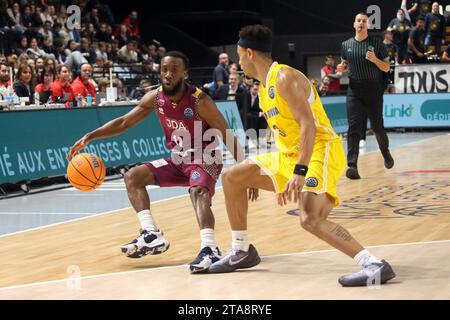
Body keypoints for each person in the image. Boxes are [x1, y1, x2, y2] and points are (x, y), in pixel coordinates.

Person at [208, 24, 396, 287]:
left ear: (249, 53)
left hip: (320, 149)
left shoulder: (284, 77)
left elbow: (308, 124)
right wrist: (255, 174)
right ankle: (241, 251)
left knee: (309, 217)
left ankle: (372, 263)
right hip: (290, 156)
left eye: (239, 56)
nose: (239, 62)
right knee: (232, 177)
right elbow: (286, 133)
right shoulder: (263, 88)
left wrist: (299, 171)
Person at [66, 51, 245, 274]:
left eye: (174, 70)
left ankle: (210, 248)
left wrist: (243, 170)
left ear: (184, 73)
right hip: (178, 160)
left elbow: (226, 132)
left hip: (205, 157)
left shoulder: (201, 100)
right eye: (164, 70)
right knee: (133, 176)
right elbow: (124, 122)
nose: (168, 75)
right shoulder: (155, 97)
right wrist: (90, 136)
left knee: (197, 191)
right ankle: (150, 234)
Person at [337, 12, 394, 180]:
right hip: (354, 90)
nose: (361, 23)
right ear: (354, 24)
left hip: (373, 90)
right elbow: (345, 64)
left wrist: (375, 60)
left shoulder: (377, 43)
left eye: (364, 21)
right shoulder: (346, 45)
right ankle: (352, 165)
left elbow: (386, 68)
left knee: (377, 127)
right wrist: (342, 68)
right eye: (358, 20)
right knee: (353, 127)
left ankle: (386, 153)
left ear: (368, 25)